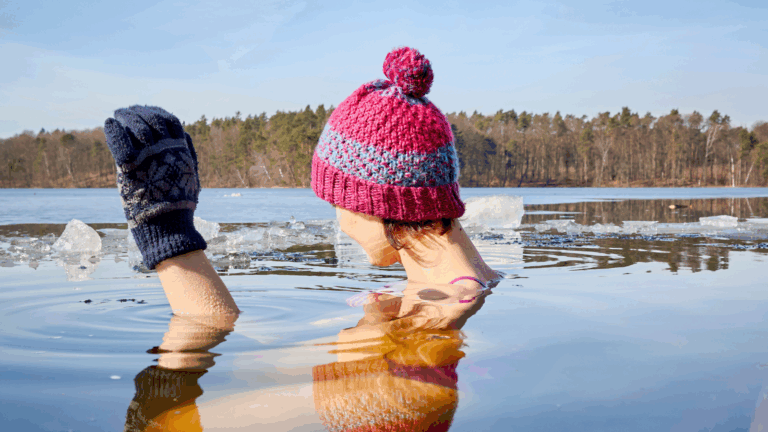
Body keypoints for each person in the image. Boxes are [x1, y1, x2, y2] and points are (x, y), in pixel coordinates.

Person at [103, 46, 498, 318]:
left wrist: (170, 241)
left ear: (377, 204)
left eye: (336, 203)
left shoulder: (436, 311)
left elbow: (204, 416)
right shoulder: (467, 283)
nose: (340, 223)